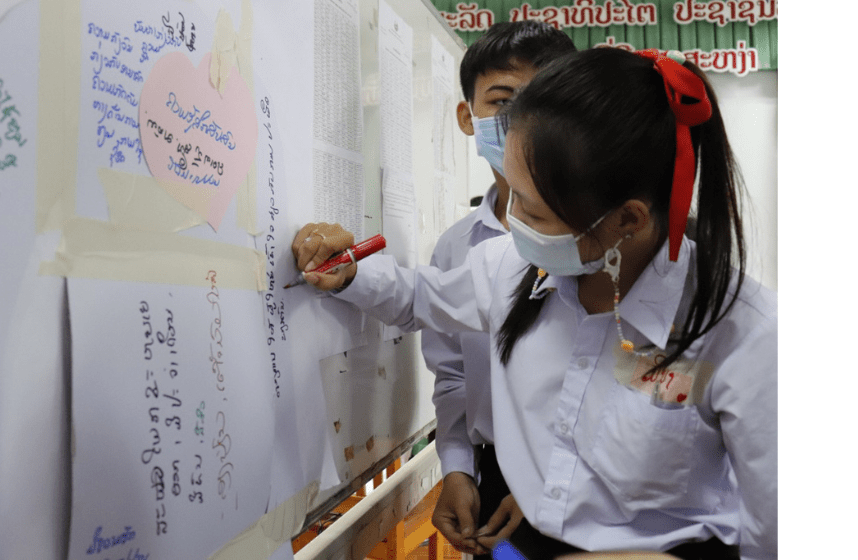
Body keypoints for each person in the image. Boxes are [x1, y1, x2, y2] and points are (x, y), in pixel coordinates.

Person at [292, 47, 776, 560]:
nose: (512, 220)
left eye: (535, 211)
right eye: (512, 194)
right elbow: (419, 297)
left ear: (627, 220)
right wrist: (348, 272)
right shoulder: (512, 267)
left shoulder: (742, 334)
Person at [423, 20, 575, 558]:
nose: (520, 120)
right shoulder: (457, 248)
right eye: (502, 100)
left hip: (590, 479)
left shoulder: (597, 234)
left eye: (540, 99)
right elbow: (453, 375)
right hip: (493, 481)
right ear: (468, 117)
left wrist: (549, 475)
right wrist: (459, 469)